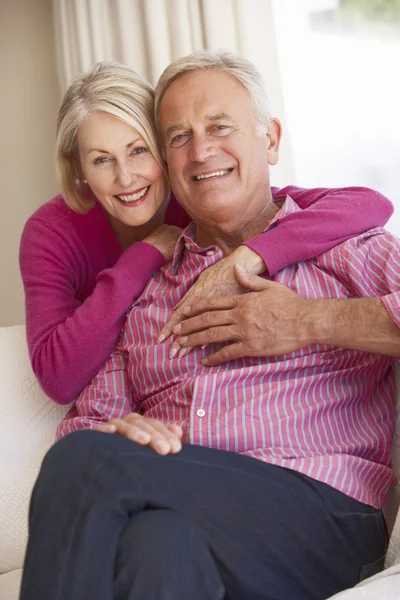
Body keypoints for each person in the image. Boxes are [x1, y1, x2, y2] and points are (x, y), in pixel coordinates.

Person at [20, 51, 400, 600]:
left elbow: (84, 464)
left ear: (269, 138)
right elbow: (86, 421)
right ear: (169, 165)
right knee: (156, 543)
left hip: (322, 513)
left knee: (87, 466)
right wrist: (119, 433)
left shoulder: (344, 248)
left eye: (220, 127)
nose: (201, 151)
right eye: (178, 137)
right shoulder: (148, 295)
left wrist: (308, 320)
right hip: (193, 508)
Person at [19, 62, 393, 405]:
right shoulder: (53, 232)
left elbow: (366, 204)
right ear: (78, 166)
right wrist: (145, 255)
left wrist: (249, 257)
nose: (126, 178)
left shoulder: (202, 195)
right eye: (101, 159)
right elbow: (60, 377)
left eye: (138, 151)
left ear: (162, 153)